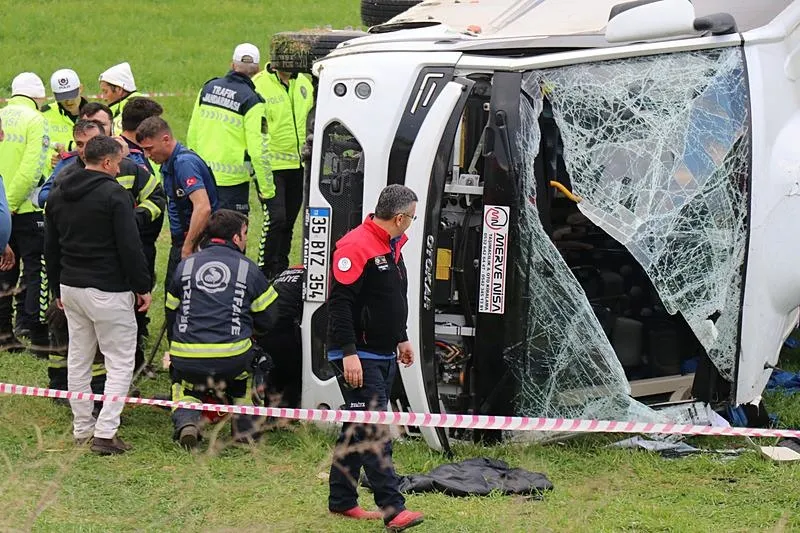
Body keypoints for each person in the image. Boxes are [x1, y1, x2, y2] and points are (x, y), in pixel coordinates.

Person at [44, 135, 152, 455]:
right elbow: (130, 246)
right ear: (106, 162)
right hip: (108, 289)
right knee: (119, 362)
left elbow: (50, 246)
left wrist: (56, 288)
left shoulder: (59, 192)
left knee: (78, 357)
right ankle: (106, 433)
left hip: (71, 287)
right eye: (118, 163)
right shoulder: (115, 195)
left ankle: (82, 428)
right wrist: (142, 286)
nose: (119, 169)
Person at [326, 184, 424, 530]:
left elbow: (387, 298)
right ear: (399, 217)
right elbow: (339, 305)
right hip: (360, 355)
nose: (412, 223)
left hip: (383, 352)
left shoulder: (391, 245)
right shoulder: (355, 246)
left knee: (357, 429)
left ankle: (341, 501)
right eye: (412, 217)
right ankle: (393, 509)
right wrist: (349, 354)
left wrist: (402, 337)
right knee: (373, 429)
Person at [38, 118, 165, 380]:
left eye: (90, 143)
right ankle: (81, 395)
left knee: (90, 351)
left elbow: (156, 198)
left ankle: (89, 406)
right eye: (80, 144)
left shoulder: (128, 169)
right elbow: (51, 239)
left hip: (90, 279)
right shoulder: (65, 177)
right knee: (93, 349)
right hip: (97, 281)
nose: (84, 150)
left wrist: (136, 217)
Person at [165, 209, 275, 448]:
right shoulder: (248, 268)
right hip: (232, 358)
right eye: (245, 233)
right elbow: (269, 318)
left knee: (183, 383)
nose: (246, 239)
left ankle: (186, 422)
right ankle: (245, 430)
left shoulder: (185, 265)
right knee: (252, 370)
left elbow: (171, 312)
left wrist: (176, 346)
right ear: (236, 238)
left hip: (187, 356)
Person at [186, 43, 274, 216]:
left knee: (203, 232)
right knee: (229, 236)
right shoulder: (253, 101)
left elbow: (192, 134)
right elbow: (258, 150)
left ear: (232, 65)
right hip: (233, 185)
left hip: (202, 178)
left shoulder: (208, 89)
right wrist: (267, 189)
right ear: (257, 70)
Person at [0, 72, 50, 353]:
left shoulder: (1, 114)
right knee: (35, 269)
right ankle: (35, 330)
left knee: (4, 268)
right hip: (27, 209)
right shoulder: (36, 120)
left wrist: (2, 207)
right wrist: (14, 203)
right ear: (38, 96)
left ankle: (4, 332)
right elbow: (32, 169)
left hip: (0, 208)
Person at [136, 116, 218, 287]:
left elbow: (203, 207)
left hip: (195, 241)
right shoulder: (170, 163)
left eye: (150, 149)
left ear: (165, 139)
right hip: (186, 240)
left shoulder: (183, 163)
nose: (147, 155)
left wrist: (188, 248)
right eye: (143, 150)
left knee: (179, 301)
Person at [253, 57, 314, 281]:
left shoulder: (304, 84)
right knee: (275, 218)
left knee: (289, 221)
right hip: (271, 166)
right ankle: (264, 269)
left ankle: (280, 268)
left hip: (298, 165)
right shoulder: (259, 84)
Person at [253, 265, 304, 408]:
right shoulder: (317, 278)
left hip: (264, 328)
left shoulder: (286, 271)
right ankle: (289, 415)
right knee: (296, 373)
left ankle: (271, 414)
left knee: (273, 374)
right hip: (287, 330)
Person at [41, 68, 88, 173]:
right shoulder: (43, 115)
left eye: (71, 95)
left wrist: (67, 160)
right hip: (54, 180)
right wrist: (51, 161)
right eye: (63, 97)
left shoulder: (96, 114)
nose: (68, 101)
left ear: (80, 88)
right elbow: (37, 146)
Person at [119, 97, 163, 173]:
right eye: (156, 124)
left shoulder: (141, 149)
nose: (160, 129)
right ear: (144, 125)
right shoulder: (121, 155)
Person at [98, 62, 141, 133]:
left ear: (119, 89)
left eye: (105, 91)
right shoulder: (120, 109)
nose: (104, 98)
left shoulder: (136, 111)